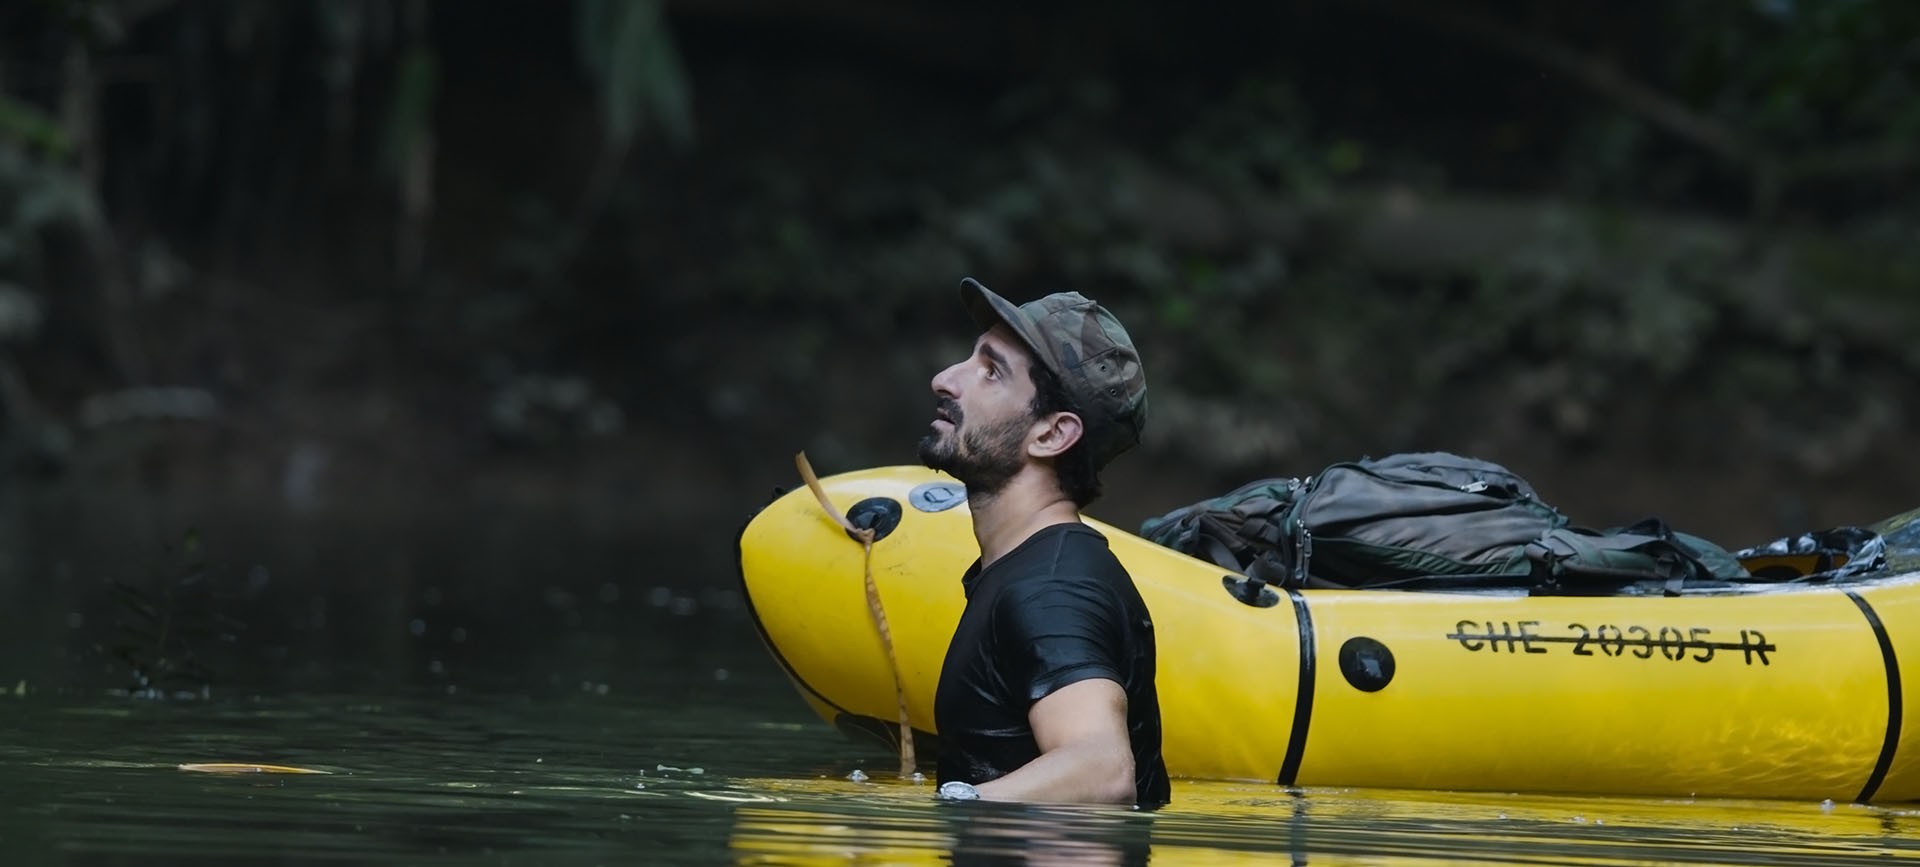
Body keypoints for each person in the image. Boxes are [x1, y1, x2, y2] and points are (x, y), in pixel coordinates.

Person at [917, 277, 1171, 807]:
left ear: (1052, 434)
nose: (945, 379)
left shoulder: (1050, 589)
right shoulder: (1030, 570)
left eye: (991, 373)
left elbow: (1102, 770)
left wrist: (948, 809)